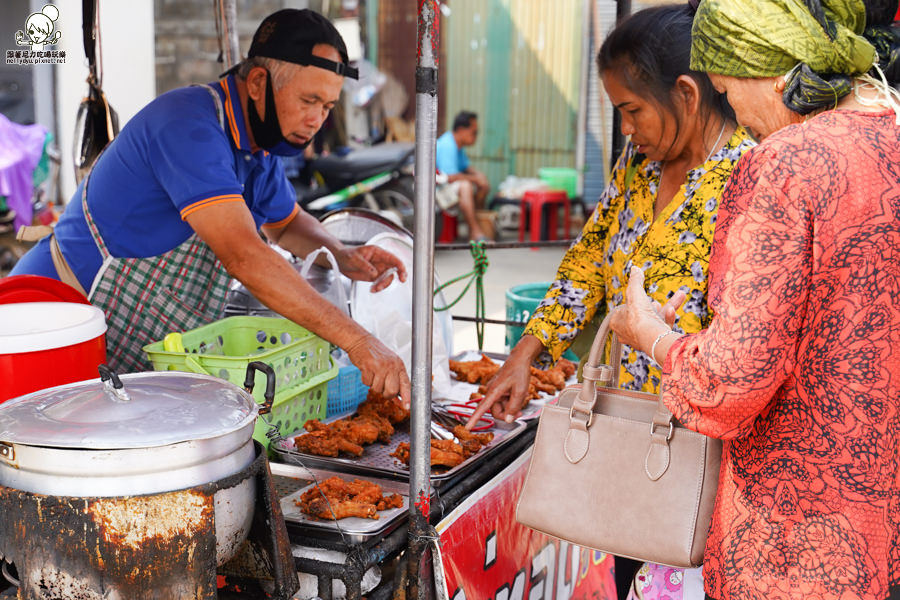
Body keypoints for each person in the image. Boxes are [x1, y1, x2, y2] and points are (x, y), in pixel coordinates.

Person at [609, 0, 900, 598]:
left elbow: (728, 385)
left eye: (727, 89)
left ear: (767, 69)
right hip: (879, 525)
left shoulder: (785, 164)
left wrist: (653, 336)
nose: (737, 117)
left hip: (795, 539)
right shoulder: (887, 134)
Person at [468, 5, 755, 598]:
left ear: (686, 93)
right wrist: (528, 350)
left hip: (707, 455)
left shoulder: (749, 175)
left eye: (632, 110)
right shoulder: (638, 167)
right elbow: (589, 259)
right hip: (628, 437)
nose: (626, 130)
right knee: (631, 568)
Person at [10, 9, 412, 403]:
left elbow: (286, 225)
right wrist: (357, 339)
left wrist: (343, 256)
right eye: (309, 100)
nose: (317, 120)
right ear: (258, 83)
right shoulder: (188, 125)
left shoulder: (260, 149)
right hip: (51, 321)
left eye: (327, 107)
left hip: (116, 348)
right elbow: (245, 256)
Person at [435, 110, 492, 240]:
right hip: (436, 189)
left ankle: (477, 225)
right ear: (461, 130)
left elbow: (466, 167)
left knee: (480, 183)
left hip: (445, 186)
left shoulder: (458, 146)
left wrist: (480, 176)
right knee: (465, 186)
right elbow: (450, 176)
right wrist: (475, 179)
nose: (476, 136)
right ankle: (475, 231)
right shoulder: (448, 145)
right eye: (474, 132)